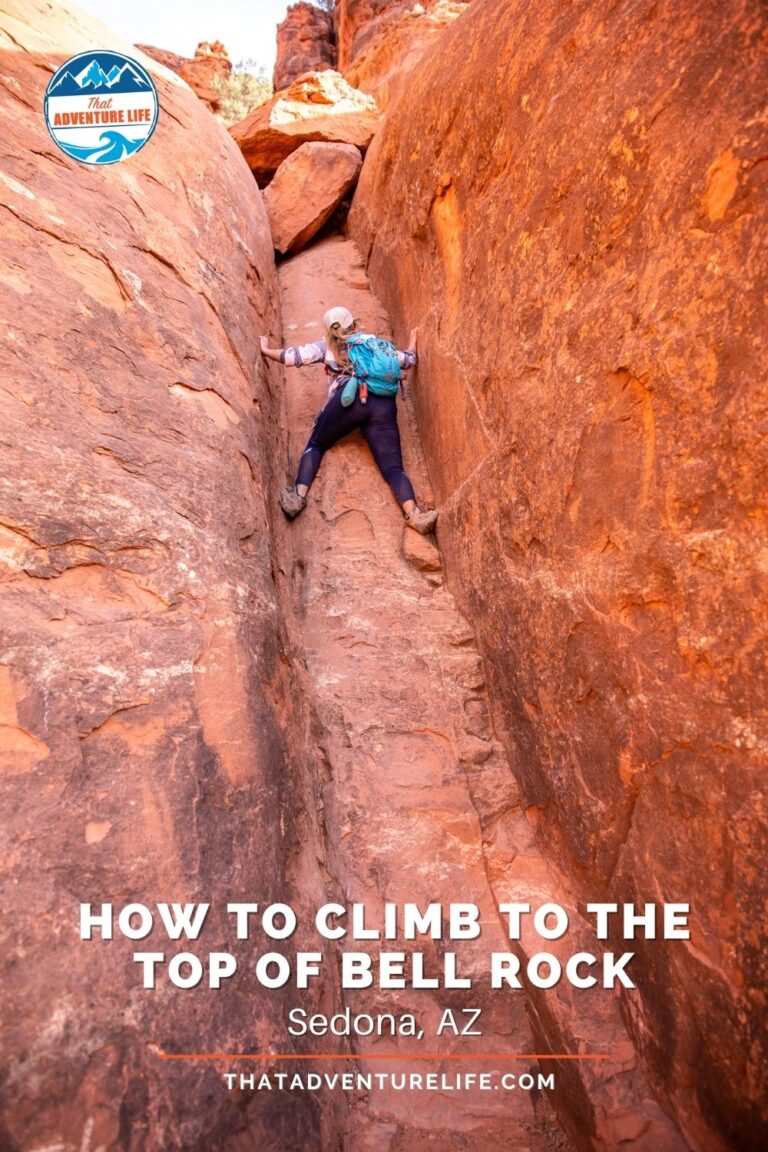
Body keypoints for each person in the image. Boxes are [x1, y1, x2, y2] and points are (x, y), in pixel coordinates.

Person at [260, 306, 438, 534]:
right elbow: (407, 360)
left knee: (317, 443)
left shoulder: (328, 346)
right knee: (393, 468)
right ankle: (414, 515)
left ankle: (297, 497)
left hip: (350, 400)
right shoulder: (373, 342)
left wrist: (265, 350)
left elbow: (293, 357)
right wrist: (413, 341)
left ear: (329, 329)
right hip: (383, 406)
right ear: (353, 323)